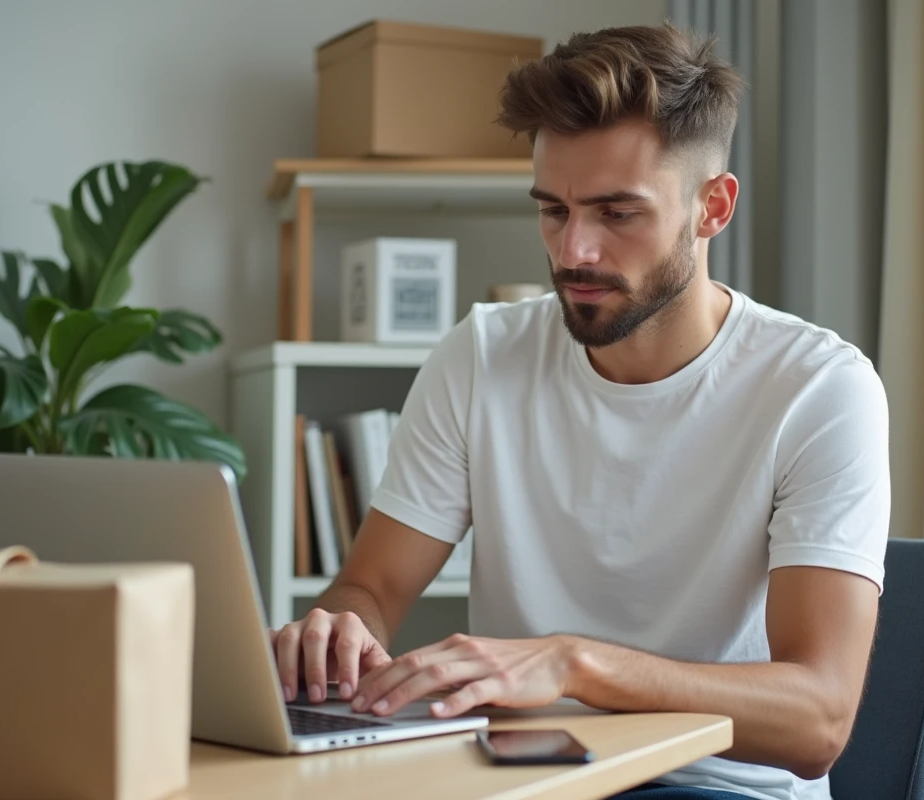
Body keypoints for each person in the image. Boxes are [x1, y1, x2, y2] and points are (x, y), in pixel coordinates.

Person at [270, 22, 889, 800]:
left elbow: (819, 722)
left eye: (616, 214)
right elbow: (372, 588)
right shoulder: (482, 355)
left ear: (713, 208)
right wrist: (338, 632)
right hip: (517, 780)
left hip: (718, 788)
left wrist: (575, 662)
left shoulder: (819, 388)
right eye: (554, 211)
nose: (574, 252)